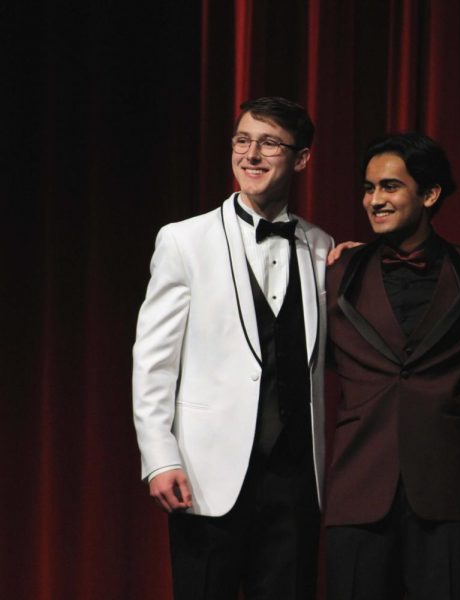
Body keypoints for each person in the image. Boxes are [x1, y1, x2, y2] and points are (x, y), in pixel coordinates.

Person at [132, 96, 333, 599]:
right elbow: (153, 361)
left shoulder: (321, 247)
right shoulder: (184, 240)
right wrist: (159, 456)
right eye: (243, 140)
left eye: (269, 143)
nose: (252, 154)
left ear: (301, 159)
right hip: (206, 475)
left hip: (293, 481)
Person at [324, 133, 460, 600]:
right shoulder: (336, 275)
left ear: (429, 194)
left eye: (389, 187)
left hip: (447, 494)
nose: (374, 200)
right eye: (368, 189)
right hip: (358, 487)